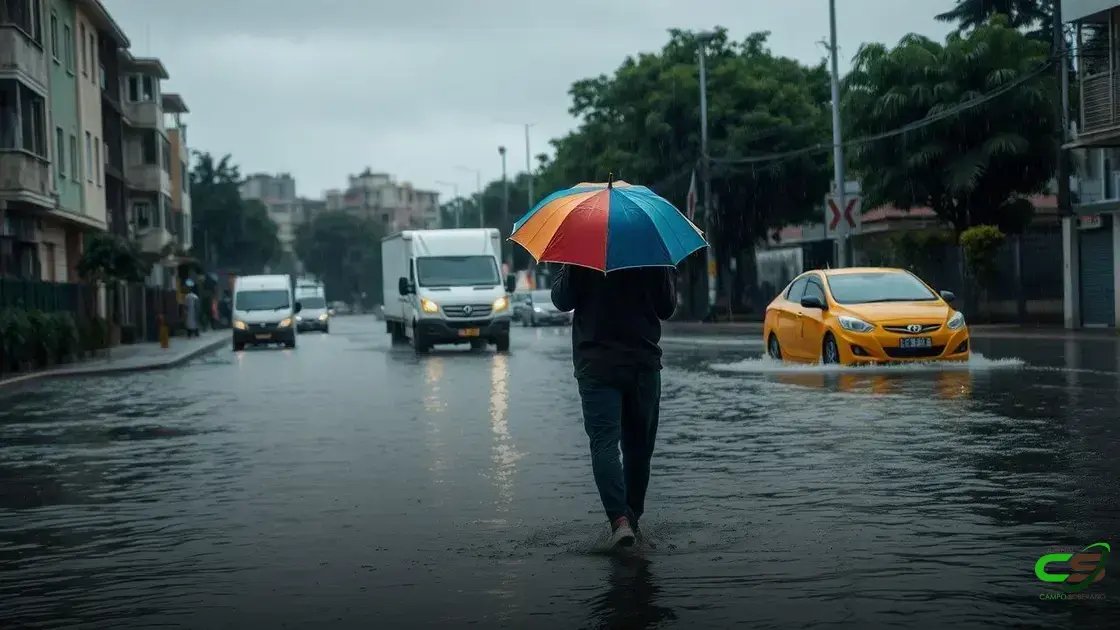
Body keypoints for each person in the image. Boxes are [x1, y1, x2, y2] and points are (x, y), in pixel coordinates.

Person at [551, 263, 677, 548]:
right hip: (642, 363)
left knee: (604, 444)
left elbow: (561, 300)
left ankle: (620, 522)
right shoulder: (650, 249)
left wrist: (568, 267)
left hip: (597, 365)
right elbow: (666, 308)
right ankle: (632, 520)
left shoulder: (582, 250)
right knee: (639, 450)